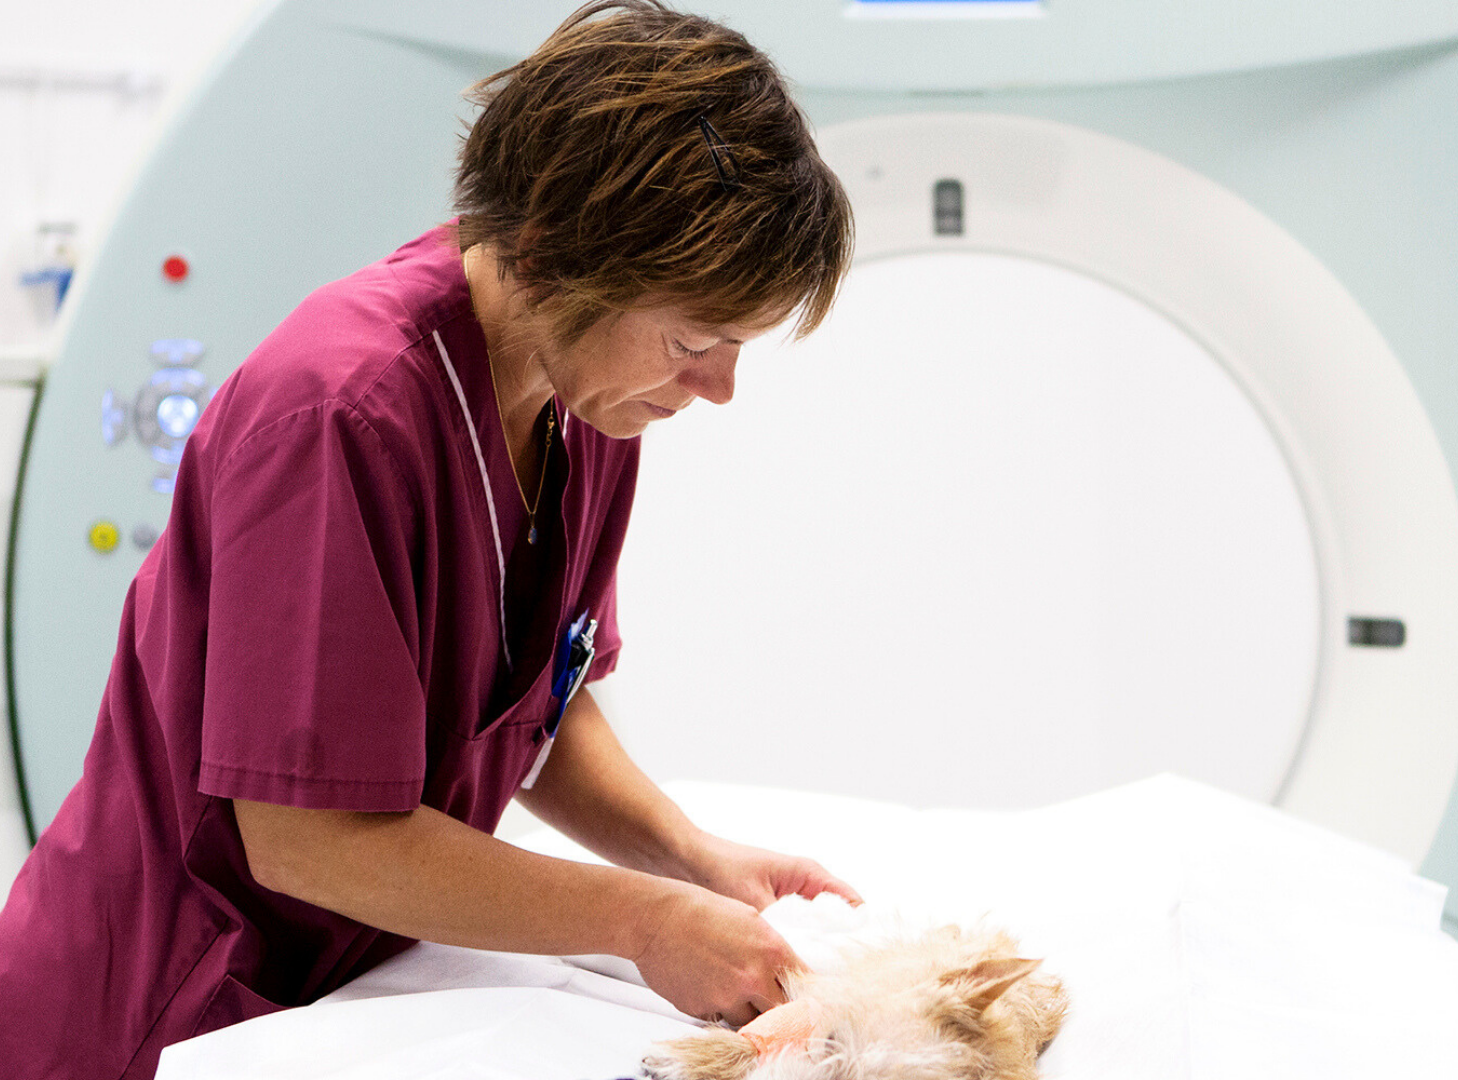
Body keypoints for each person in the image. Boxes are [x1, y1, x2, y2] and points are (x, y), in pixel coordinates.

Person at [0, 3, 858, 1076]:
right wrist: (642, 921)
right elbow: (307, 836)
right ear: (552, 253)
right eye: (697, 340)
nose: (718, 388)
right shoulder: (336, 417)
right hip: (166, 1006)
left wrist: (690, 861)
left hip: (347, 985)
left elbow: (536, 702)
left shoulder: (583, 398)